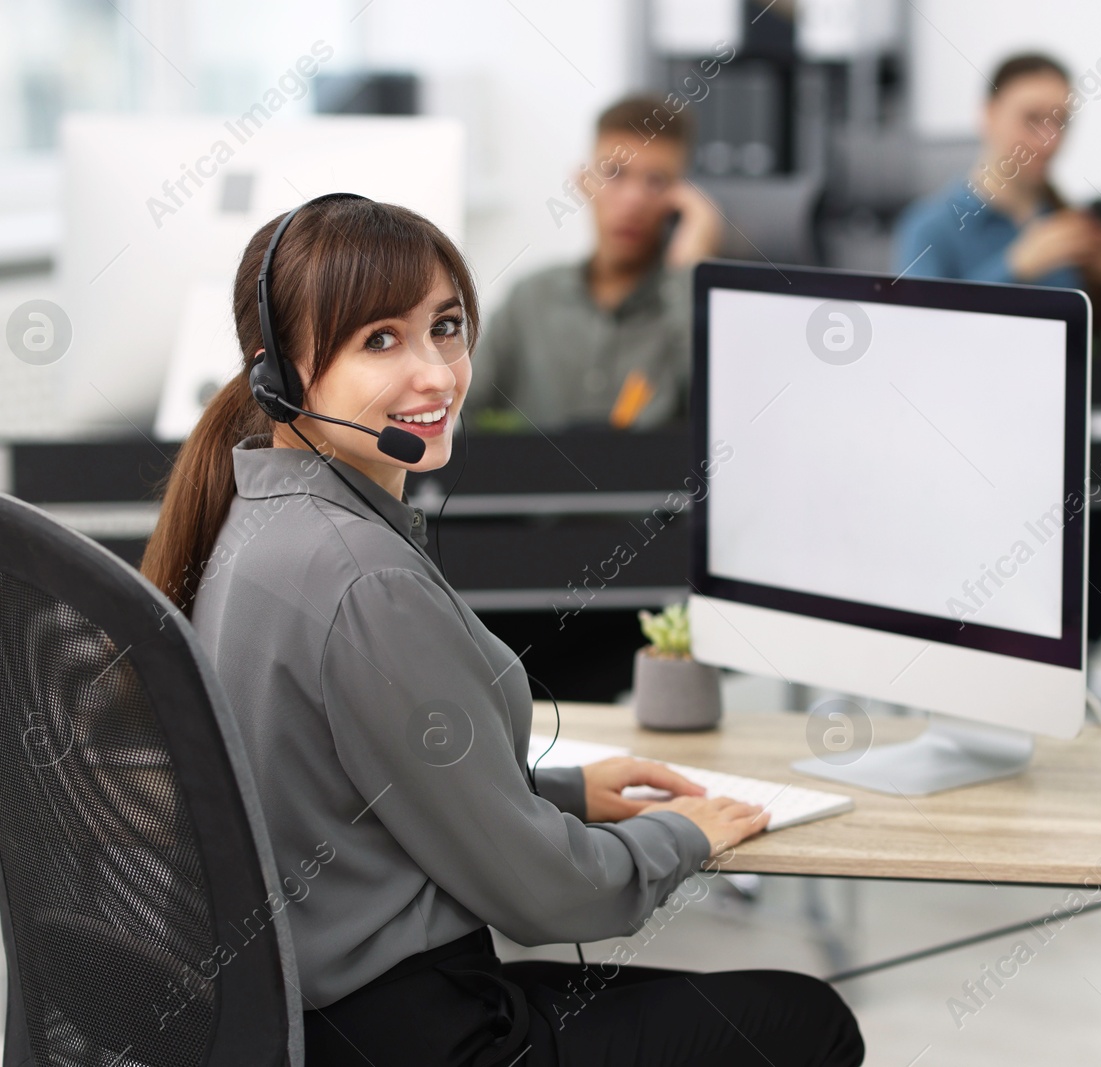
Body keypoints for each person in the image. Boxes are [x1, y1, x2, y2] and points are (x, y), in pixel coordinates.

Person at [140, 195, 864, 1067]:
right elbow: (546, 898)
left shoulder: (254, 520)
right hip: (430, 1038)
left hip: (323, 1023)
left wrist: (562, 792)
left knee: (727, 1005)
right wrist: (689, 833)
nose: (438, 375)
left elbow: (367, 790)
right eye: (380, 340)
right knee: (808, 1019)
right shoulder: (365, 579)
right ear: (281, 376)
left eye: (446, 327)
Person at [893, 51, 1101, 660]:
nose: (1049, 139)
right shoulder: (933, 228)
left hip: (1073, 461)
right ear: (987, 115)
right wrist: (1018, 267)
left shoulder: (1074, 225)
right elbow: (917, 345)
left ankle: (1072, 675)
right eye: (1031, 118)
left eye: (1062, 121)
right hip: (974, 465)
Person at [468, 93, 722, 431]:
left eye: (657, 181)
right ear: (585, 182)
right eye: (615, 174)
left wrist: (691, 272)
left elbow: (722, 412)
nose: (633, 200)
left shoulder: (686, 306)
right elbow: (457, 402)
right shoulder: (532, 298)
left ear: (679, 198)